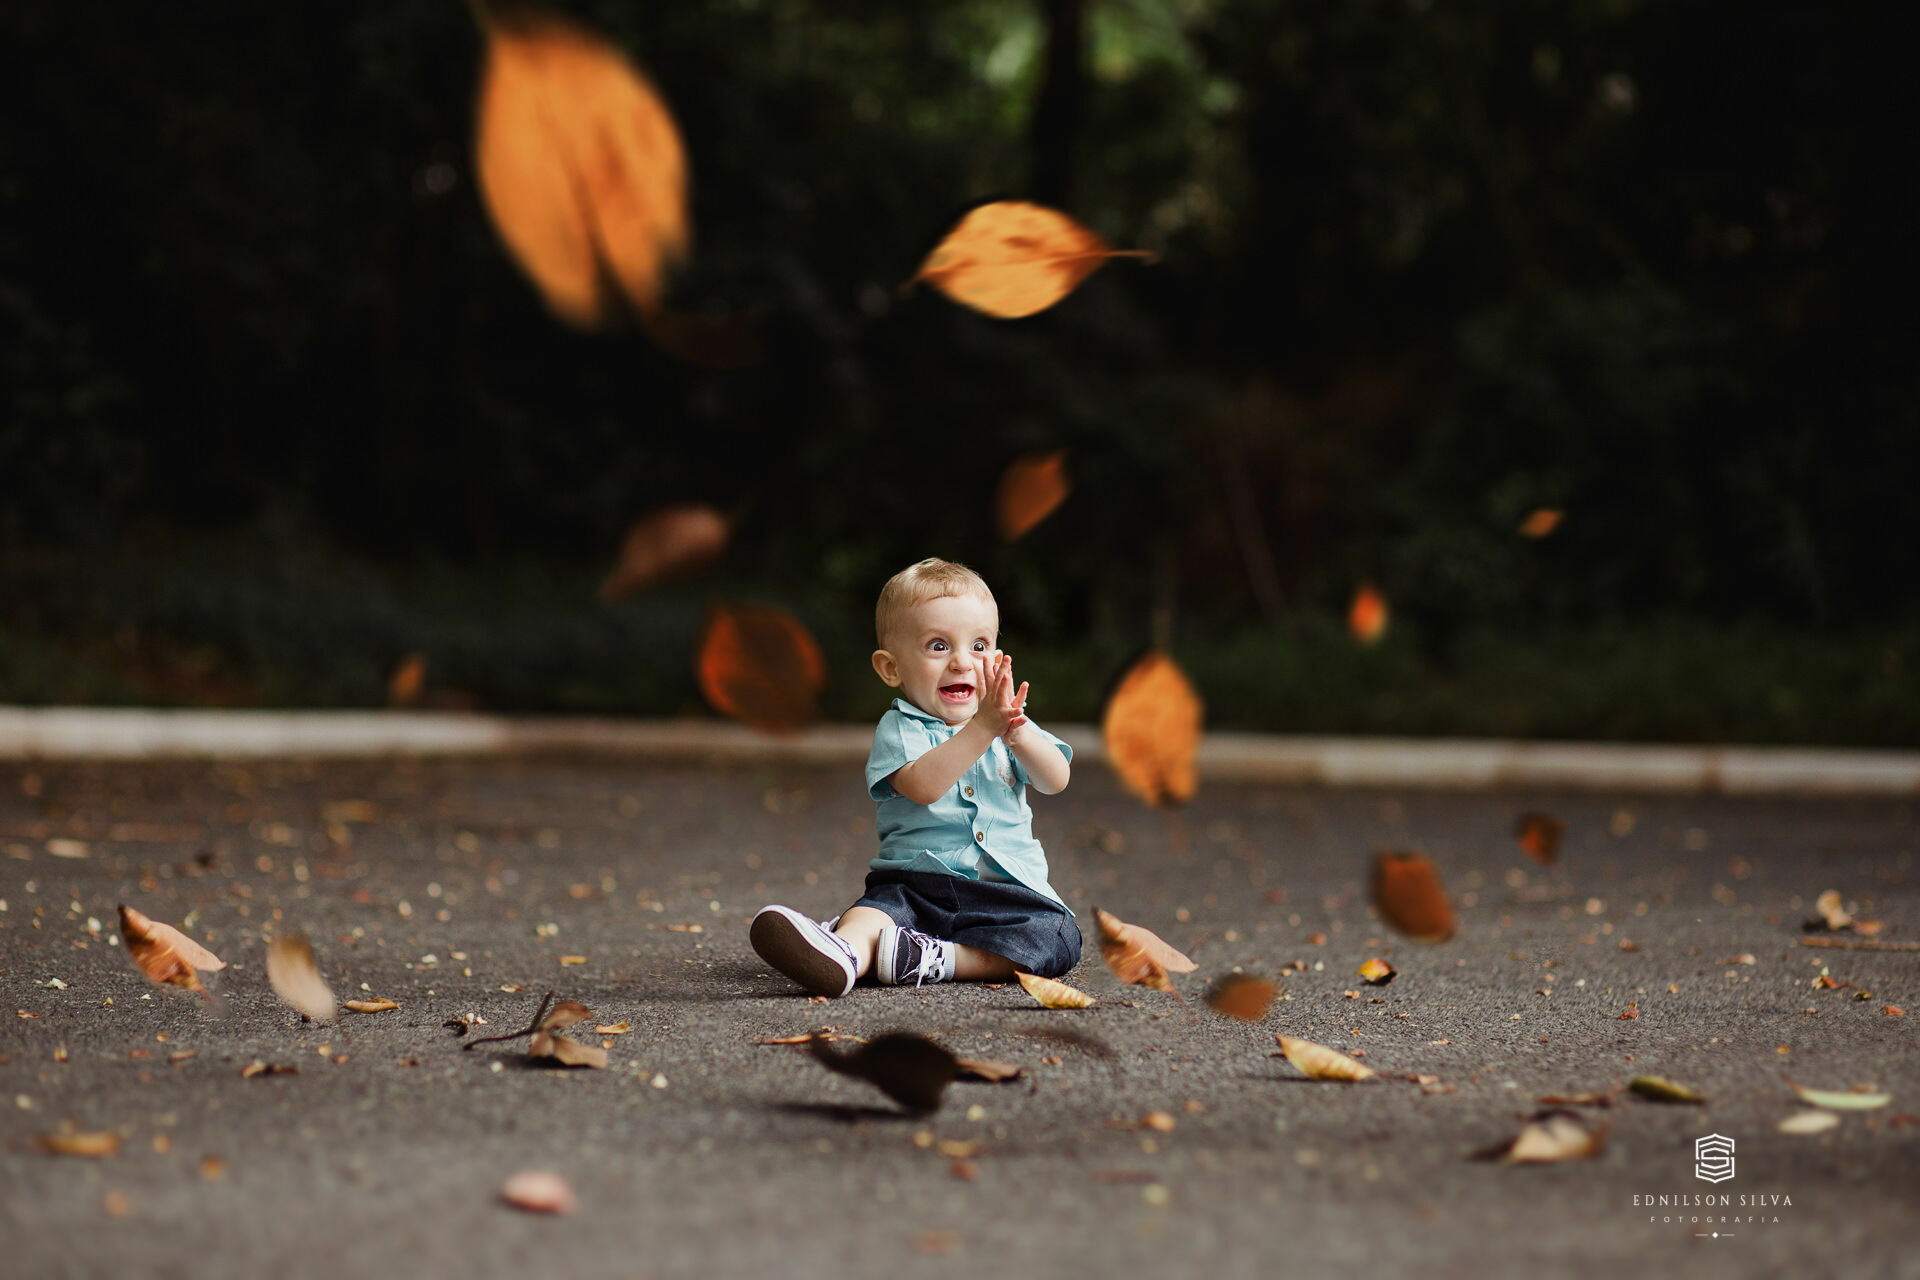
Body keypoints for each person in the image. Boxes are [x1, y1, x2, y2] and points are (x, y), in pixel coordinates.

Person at [750, 557, 1079, 996]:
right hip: (914, 886)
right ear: (892, 668)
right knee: (875, 913)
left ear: (998, 659)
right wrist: (983, 728)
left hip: (1007, 895)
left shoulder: (1009, 723)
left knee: (1057, 937)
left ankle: (929, 959)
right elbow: (923, 786)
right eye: (938, 646)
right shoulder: (901, 728)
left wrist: (1017, 733)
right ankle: (845, 951)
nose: (962, 662)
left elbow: (1056, 779)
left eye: (979, 646)